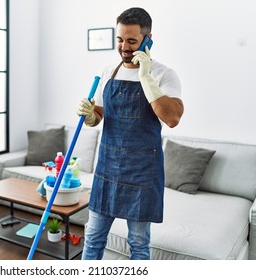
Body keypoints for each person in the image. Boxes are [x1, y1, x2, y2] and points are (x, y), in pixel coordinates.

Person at [77, 7, 184, 260]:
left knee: (137, 242)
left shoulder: (163, 74)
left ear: (148, 40)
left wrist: (146, 77)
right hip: (108, 167)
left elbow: (172, 118)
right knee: (92, 238)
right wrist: (91, 116)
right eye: (120, 39)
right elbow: (100, 116)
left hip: (142, 171)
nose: (124, 47)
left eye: (132, 41)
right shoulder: (108, 72)